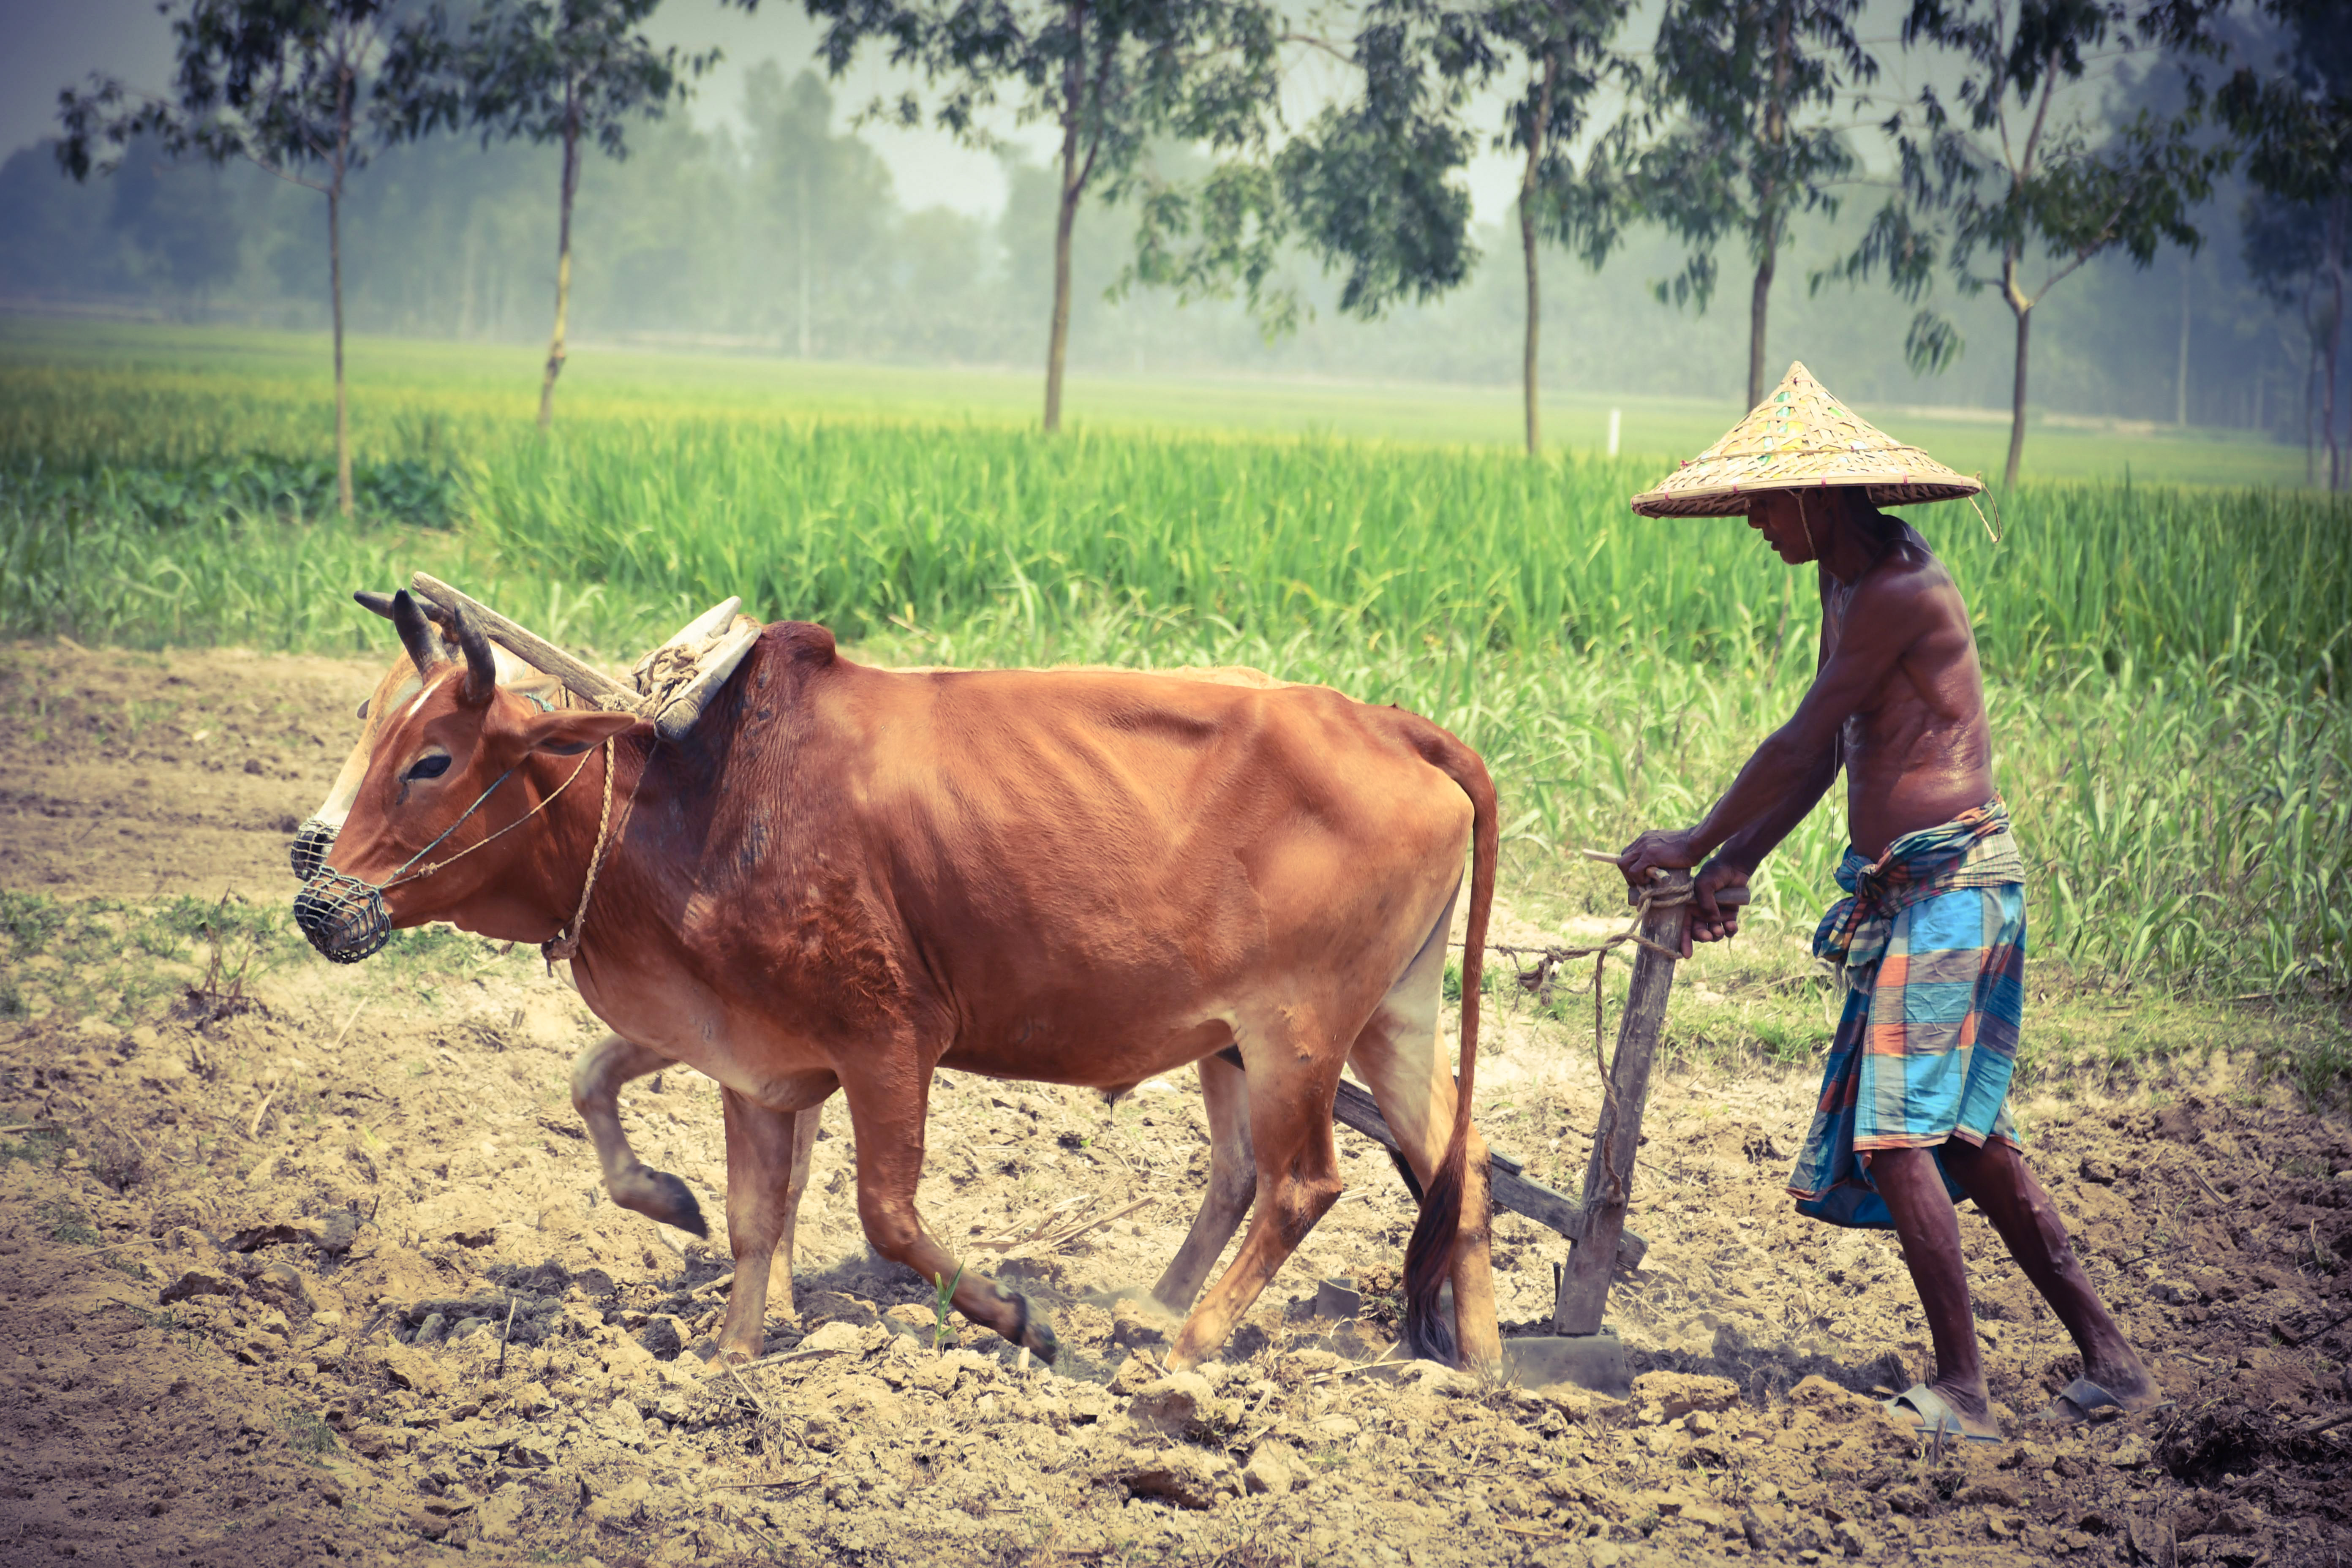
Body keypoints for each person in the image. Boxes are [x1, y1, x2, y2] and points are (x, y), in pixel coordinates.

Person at [1613, 362, 2159, 1443]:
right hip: (1913, 890)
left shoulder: (1904, 585)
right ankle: (2114, 1359)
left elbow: (1800, 736)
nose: (1758, 525)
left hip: (1955, 885)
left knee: (1902, 1136)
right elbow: (1834, 755)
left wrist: (1695, 839)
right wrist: (1745, 861)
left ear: (1818, 497)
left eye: (1766, 505)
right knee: (1972, 1140)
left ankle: (1964, 1387)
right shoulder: (1847, 586)